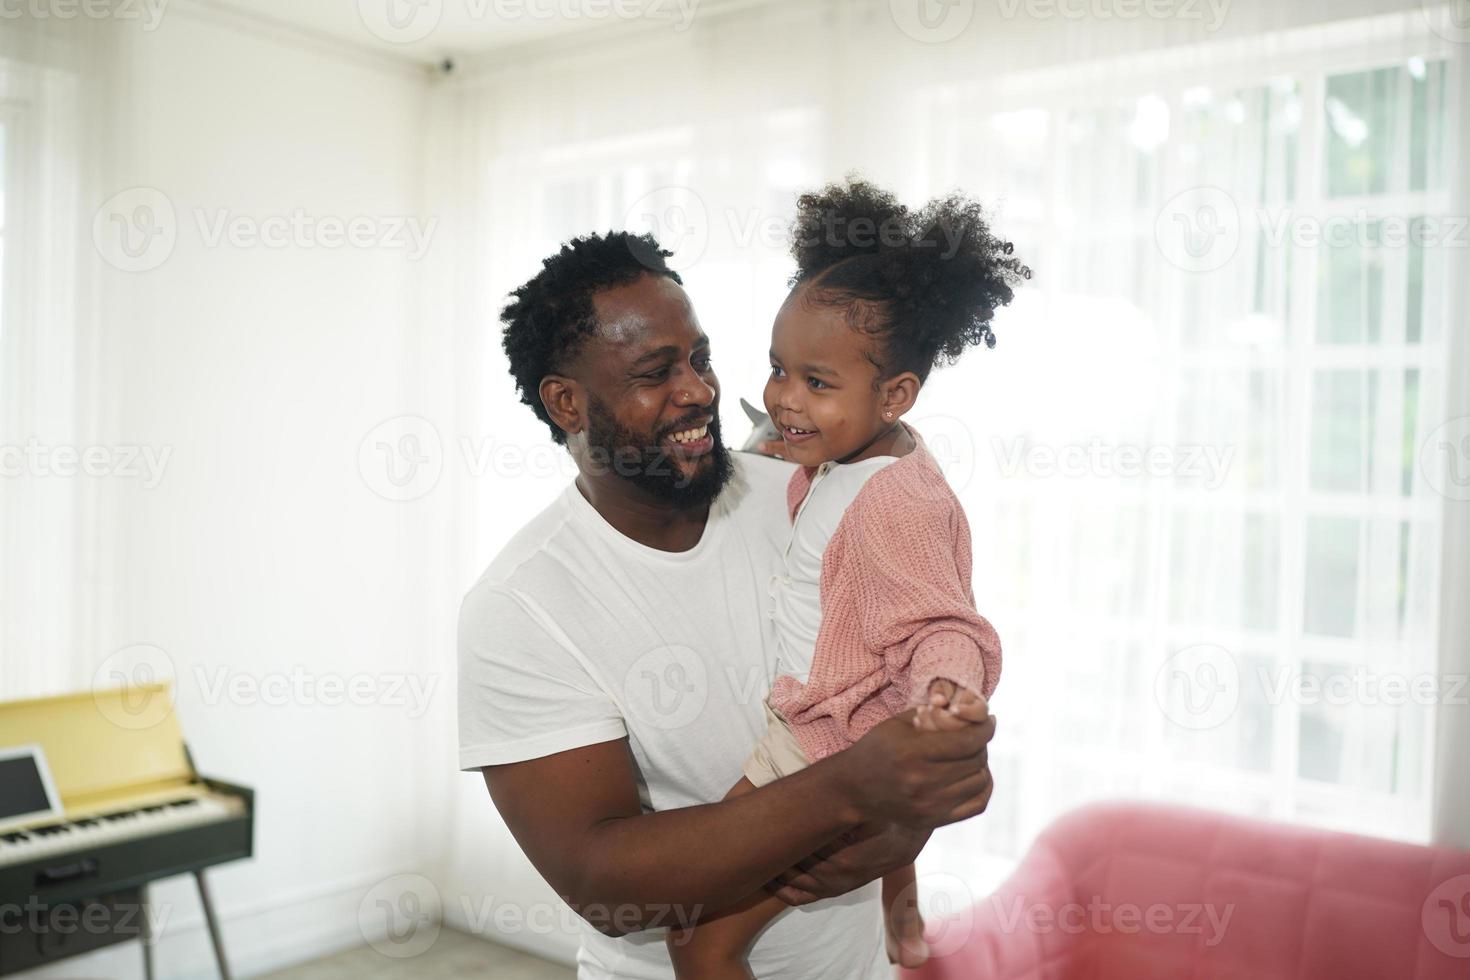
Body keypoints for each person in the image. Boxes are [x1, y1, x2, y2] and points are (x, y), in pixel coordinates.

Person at [457, 230, 997, 979]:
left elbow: (918, 647)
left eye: (700, 359)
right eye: (657, 372)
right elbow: (599, 876)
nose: (701, 391)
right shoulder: (520, 608)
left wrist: (917, 808)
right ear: (567, 402)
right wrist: (854, 789)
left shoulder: (809, 495)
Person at [664, 177, 1028, 978]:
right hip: (862, 713)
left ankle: (899, 912)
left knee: (696, 934)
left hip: (825, 740)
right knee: (884, 835)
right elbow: (800, 467)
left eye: (815, 384)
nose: (782, 400)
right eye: (777, 369)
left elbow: (943, 624)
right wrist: (779, 443)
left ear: (894, 393)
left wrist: (946, 691)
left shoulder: (892, 501)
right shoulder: (867, 450)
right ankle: (903, 919)